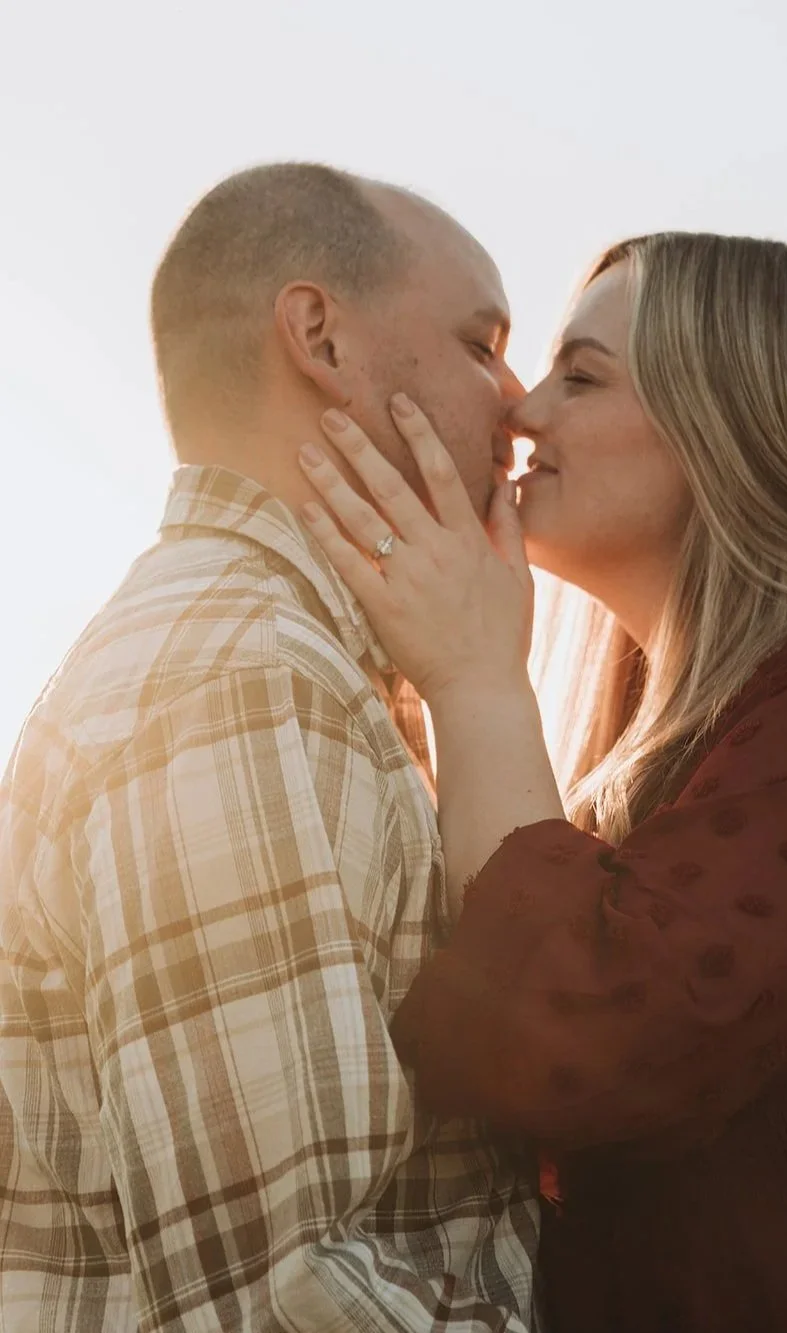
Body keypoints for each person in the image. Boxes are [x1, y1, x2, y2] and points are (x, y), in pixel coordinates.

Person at [296, 231, 787, 1333]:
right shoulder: (645, 730)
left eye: (581, 375)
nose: (521, 412)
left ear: (730, 422)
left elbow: (588, 1042)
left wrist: (474, 679)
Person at [0, 163, 541, 1330]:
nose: (518, 401)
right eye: (480, 343)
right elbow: (280, 1294)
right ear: (319, 337)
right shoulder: (241, 672)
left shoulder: (269, 656)